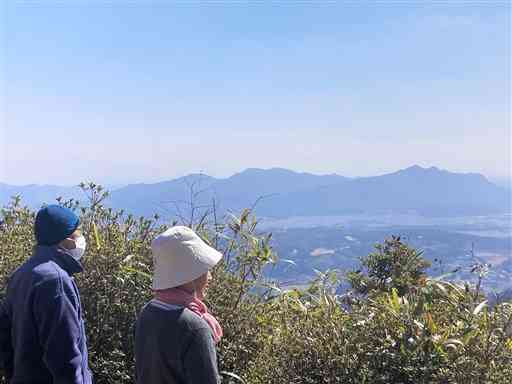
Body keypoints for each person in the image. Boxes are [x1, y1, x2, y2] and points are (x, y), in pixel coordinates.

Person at [0, 205, 93, 384]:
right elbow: (65, 355)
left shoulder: (22, 274)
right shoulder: (56, 281)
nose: (81, 238)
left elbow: (5, 335)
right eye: (77, 233)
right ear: (64, 240)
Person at [135, 226, 223, 384]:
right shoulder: (194, 327)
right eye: (205, 269)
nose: (210, 276)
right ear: (190, 275)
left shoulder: (148, 311)